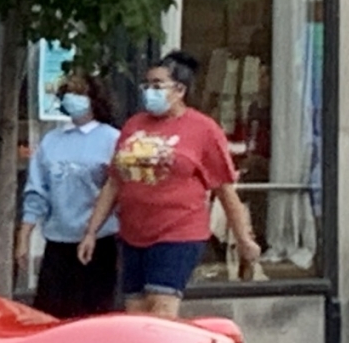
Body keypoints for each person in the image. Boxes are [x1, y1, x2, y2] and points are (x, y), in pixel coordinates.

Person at [77, 51, 260, 319]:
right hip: (133, 233)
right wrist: (91, 231)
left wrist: (244, 238)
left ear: (180, 90)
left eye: (157, 85)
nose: (149, 91)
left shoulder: (203, 129)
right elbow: (114, 183)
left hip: (178, 233)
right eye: (146, 85)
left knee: (161, 310)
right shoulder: (133, 126)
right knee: (135, 313)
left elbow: (224, 189)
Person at [18, 71, 121, 317]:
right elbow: (37, 192)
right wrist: (23, 237)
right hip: (57, 241)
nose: (72, 99)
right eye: (67, 95)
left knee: (92, 315)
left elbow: (116, 189)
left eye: (79, 94)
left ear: (94, 99)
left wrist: (92, 231)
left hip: (99, 241)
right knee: (50, 314)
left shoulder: (112, 139)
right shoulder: (51, 141)